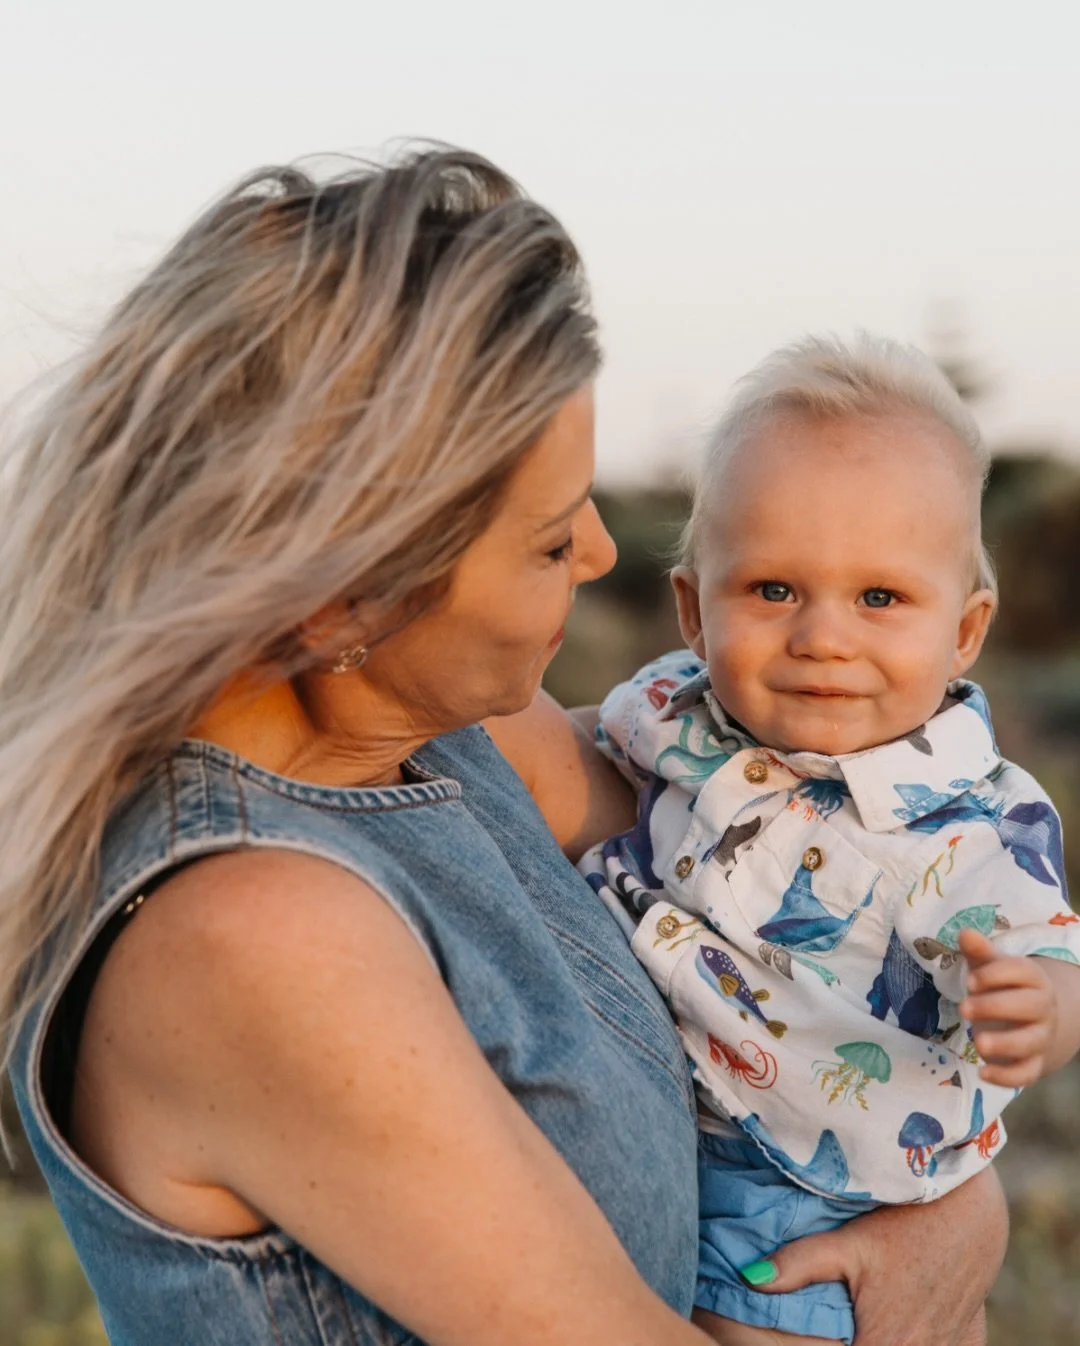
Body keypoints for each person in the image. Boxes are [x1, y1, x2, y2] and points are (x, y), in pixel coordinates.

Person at [0, 152, 1005, 1346]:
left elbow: (805, 833)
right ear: (345, 588)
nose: (601, 551)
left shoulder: (442, 739)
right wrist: (942, 1239)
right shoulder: (251, 935)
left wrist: (960, 1208)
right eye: (546, 538)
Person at [551, 335, 1079, 1345]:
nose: (823, 637)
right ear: (693, 610)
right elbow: (561, 744)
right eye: (773, 591)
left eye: (880, 598)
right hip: (680, 1119)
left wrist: (1041, 1009)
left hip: (826, 1184)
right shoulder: (679, 715)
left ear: (964, 632)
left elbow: (1046, 948)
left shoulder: (970, 817)